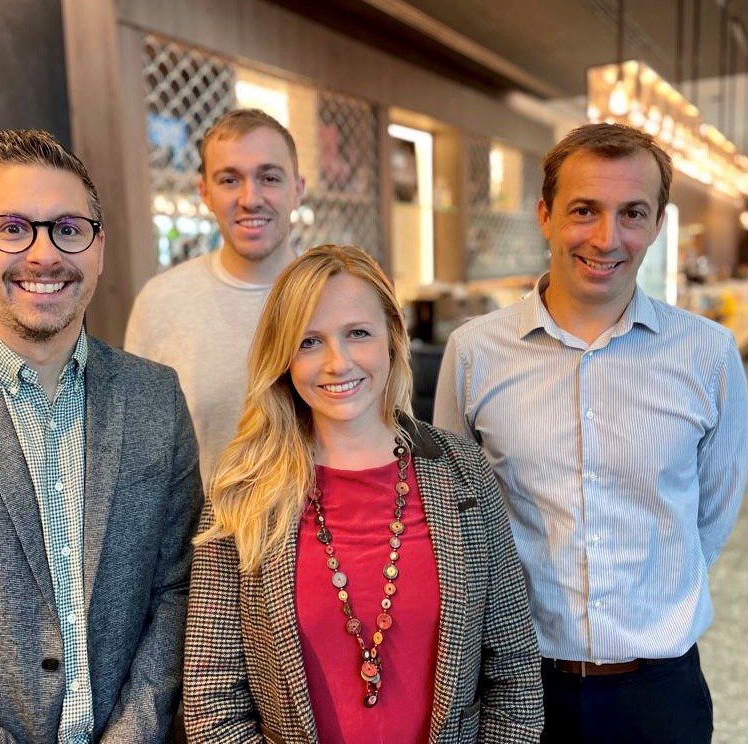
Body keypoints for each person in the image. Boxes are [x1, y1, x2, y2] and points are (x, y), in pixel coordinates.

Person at [434, 122, 748, 743]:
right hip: (516, 689)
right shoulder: (474, 354)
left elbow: (715, 506)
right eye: (585, 210)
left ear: (657, 224)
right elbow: (454, 514)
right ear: (546, 215)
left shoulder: (708, 355)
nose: (608, 238)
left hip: (660, 694)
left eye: (633, 213)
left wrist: (654, 591)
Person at [0, 129, 203, 743]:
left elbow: (176, 594)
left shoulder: (155, 398)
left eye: (68, 228)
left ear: (98, 247)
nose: (43, 255)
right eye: (12, 229)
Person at [183, 244, 543, 743]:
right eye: (309, 342)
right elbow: (212, 705)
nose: (338, 362)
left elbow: (514, 676)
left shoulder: (463, 473)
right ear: (282, 358)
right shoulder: (242, 492)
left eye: (358, 334)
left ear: (393, 340)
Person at [125, 108, 305, 488]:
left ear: (298, 189)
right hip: (206, 542)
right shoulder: (162, 303)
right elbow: (141, 455)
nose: (250, 198)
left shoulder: (339, 298)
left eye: (269, 177)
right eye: (229, 180)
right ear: (204, 192)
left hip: (327, 540)